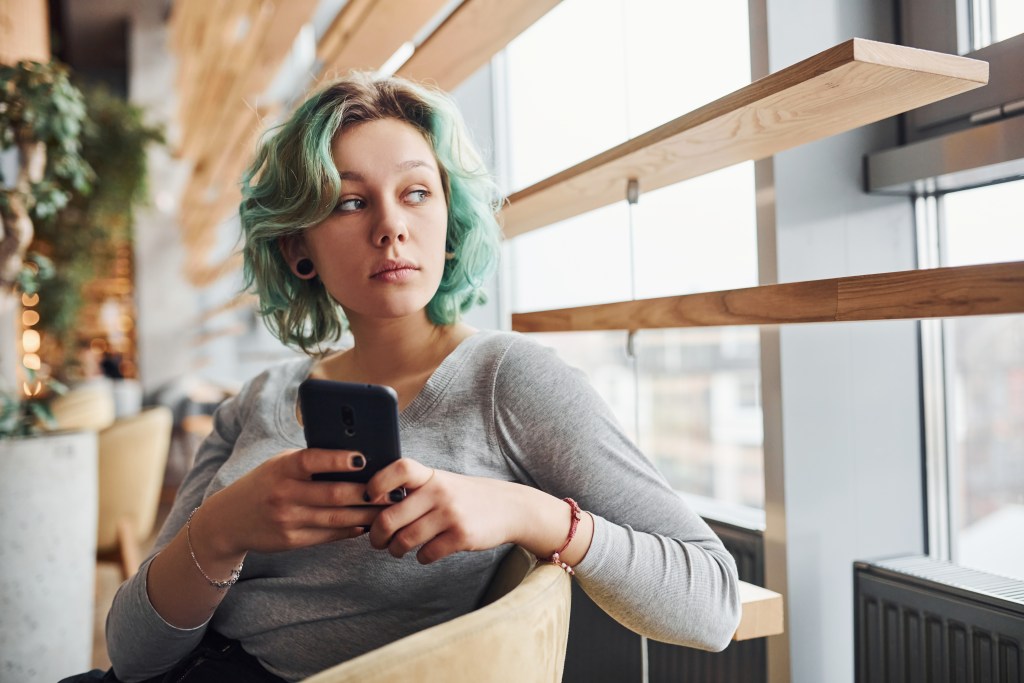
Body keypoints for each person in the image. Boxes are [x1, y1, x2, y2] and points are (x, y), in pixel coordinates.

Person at [92, 73, 741, 682]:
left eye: (416, 192)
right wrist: (220, 528)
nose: (391, 226)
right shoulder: (259, 399)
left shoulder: (507, 380)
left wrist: (527, 512)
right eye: (350, 201)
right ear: (299, 250)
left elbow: (713, 602)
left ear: (448, 223)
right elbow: (132, 652)